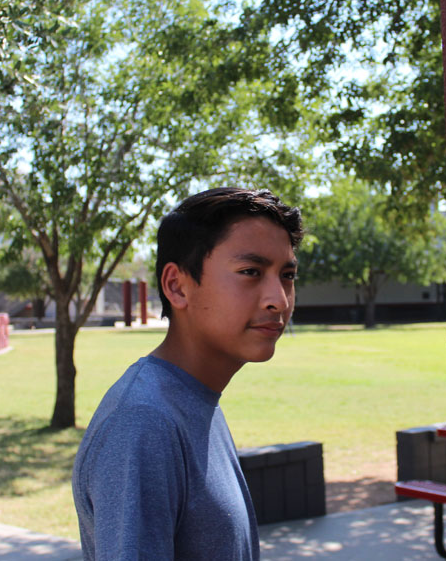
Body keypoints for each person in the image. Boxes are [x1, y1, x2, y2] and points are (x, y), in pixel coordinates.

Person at [73, 188, 303, 561]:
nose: (278, 298)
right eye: (251, 272)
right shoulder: (144, 423)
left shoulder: (195, 398)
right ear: (176, 286)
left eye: (288, 275)